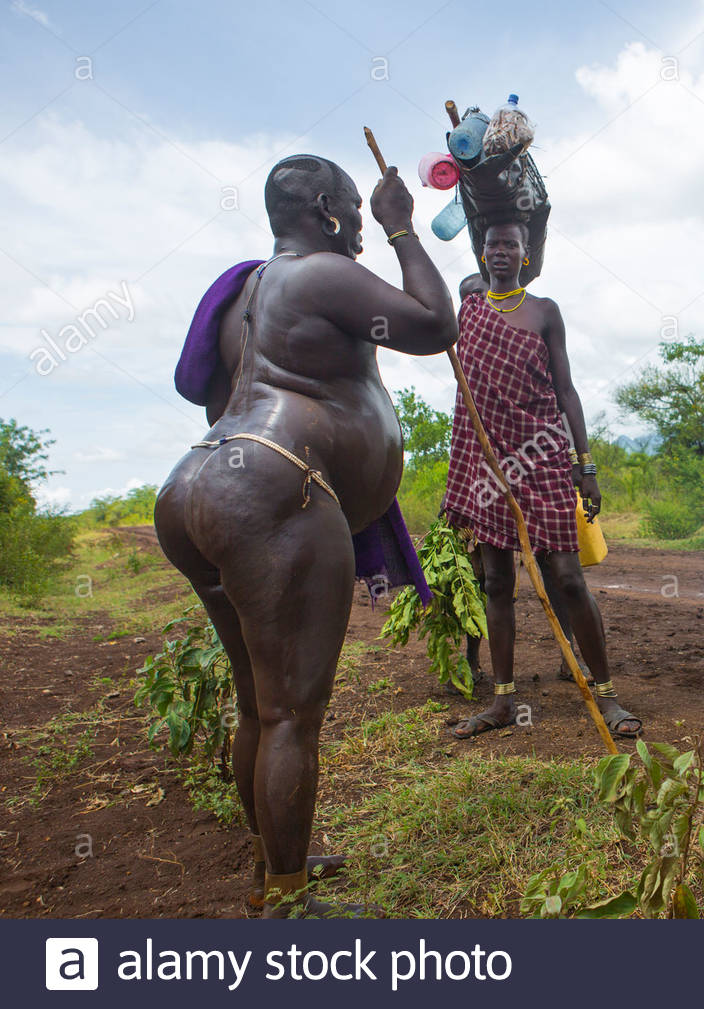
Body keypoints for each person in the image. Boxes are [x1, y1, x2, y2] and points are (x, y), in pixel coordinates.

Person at [154, 156, 458, 916]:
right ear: (326, 209)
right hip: (274, 482)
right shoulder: (319, 273)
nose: (357, 224)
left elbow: (222, 397)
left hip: (196, 482)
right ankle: (288, 903)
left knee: (260, 703)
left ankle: (275, 869)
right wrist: (400, 227)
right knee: (291, 712)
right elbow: (432, 323)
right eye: (352, 209)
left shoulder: (245, 296)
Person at [442, 221, 640, 739]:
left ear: (526, 255)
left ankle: (607, 694)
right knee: (497, 582)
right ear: (482, 255)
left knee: (570, 579)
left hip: (544, 457)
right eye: (492, 245)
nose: (501, 252)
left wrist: (586, 463)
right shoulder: (469, 311)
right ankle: (502, 701)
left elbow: (567, 391)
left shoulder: (546, 312)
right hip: (489, 464)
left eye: (511, 245)